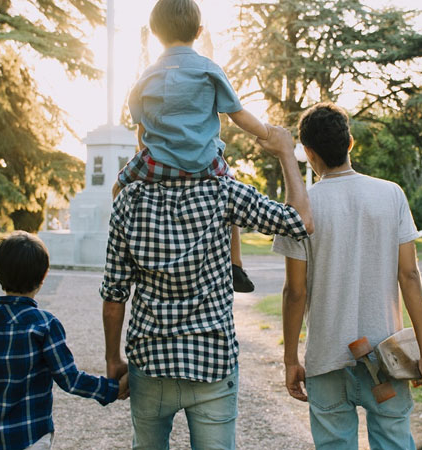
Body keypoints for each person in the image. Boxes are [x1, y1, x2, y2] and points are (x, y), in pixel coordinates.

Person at [101, 123, 313, 449]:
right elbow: (299, 221)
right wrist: (286, 153)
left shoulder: (127, 200)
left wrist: (113, 358)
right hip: (212, 362)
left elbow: (115, 295)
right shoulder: (223, 192)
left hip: (150, 361)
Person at [272, 103, 422, 450]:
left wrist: (291, 360)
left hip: (327, 360)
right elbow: (409, 275)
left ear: (308, 152)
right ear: (350, 143)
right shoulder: (391, 194)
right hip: (388, 358)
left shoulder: (300, 209)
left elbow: (295, 293)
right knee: (394, 442)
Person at [114, 0, 270, 292]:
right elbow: (238, 114)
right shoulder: (209, 70)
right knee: (231, 197)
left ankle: (127, 251)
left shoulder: (145, 77)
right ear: (199, 32)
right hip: (205, 162)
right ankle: (235, 265)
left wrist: (145, 163)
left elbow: (141, 130)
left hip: (157, 161)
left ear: (154, 32)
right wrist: (267, 132)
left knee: (118, 189)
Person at [0, 231, 128, 450]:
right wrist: (112, 389)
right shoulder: (45, 325)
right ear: (43, 277)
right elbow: (70, 379)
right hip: (31, 435)